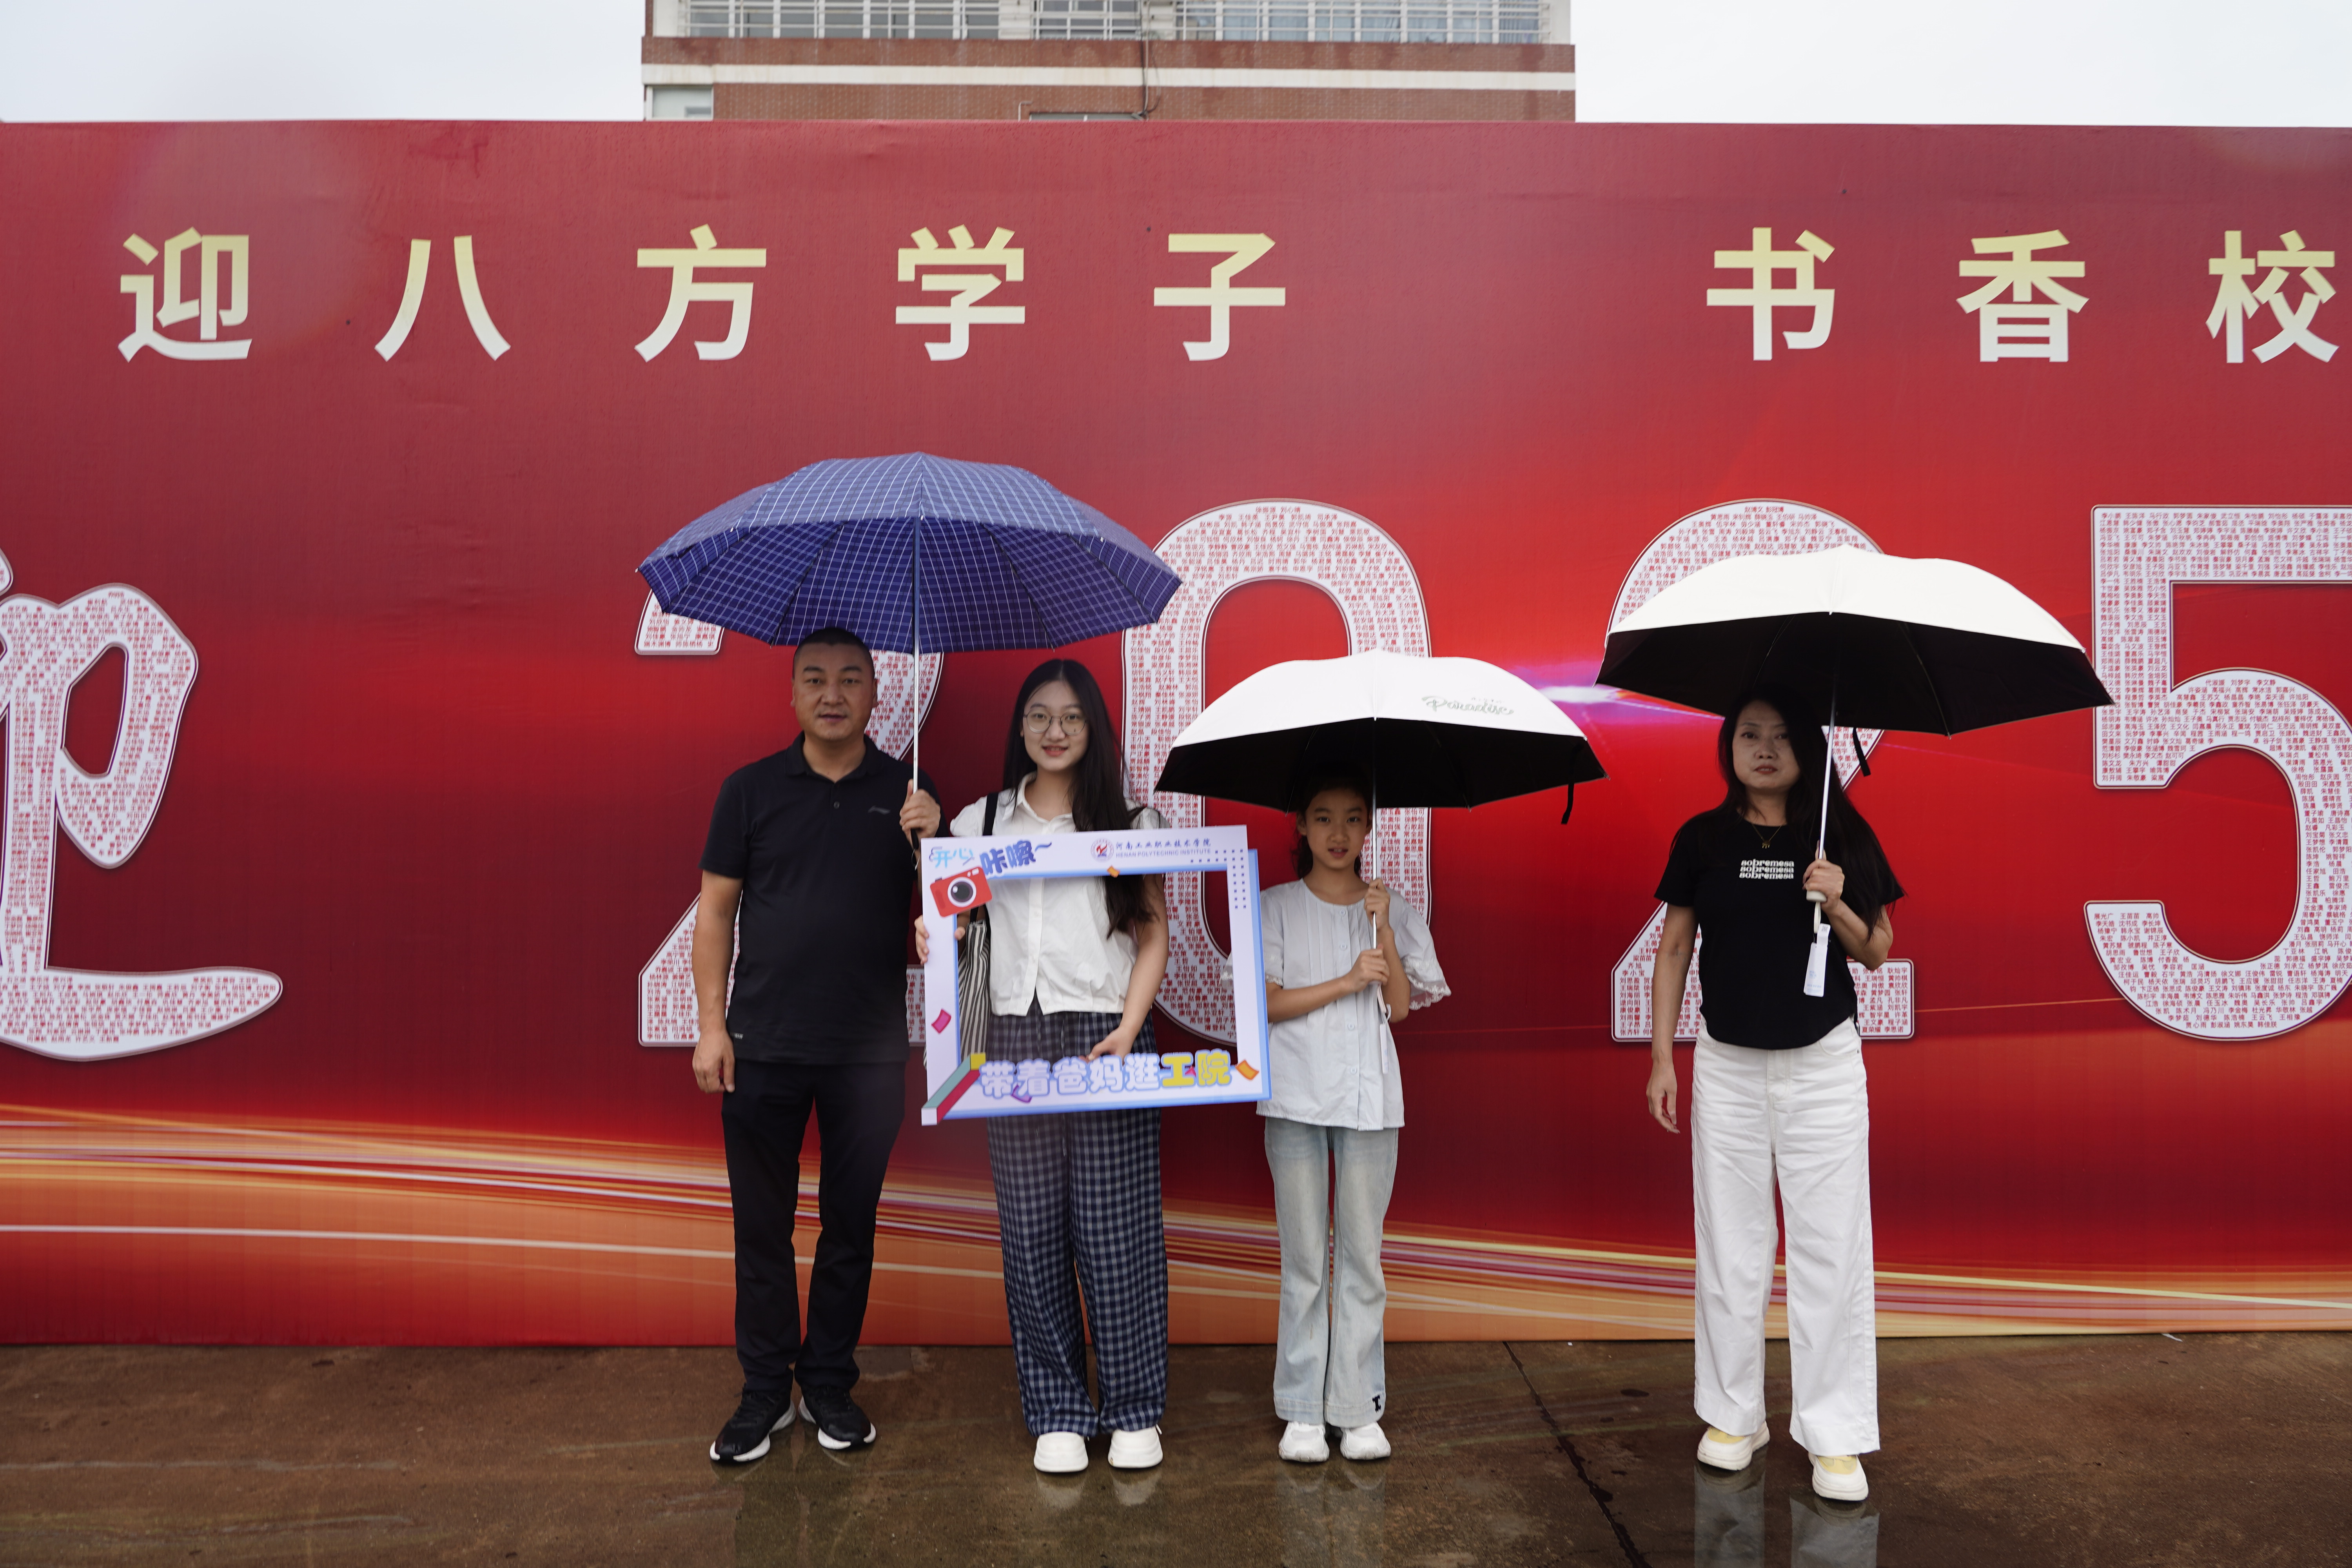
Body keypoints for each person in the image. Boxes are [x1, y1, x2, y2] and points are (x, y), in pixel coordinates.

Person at [1645, 687, 1901, 1503]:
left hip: (1823, 1068)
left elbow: (1879, 950)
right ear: (1729, 747)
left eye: (1782, 737)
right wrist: (1662, 1058)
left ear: (1807, 751)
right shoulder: (1703, 837)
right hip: (1727, 1066)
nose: (1764, 749)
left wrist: (1836, 898)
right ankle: (1734, 1417)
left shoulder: (1839, 833)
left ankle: (1835, 1435)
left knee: (1830, 1249)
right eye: (1749, 735)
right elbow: (1675, 948)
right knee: (1731, 1246)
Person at [693, 626, 941, 1464]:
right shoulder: (750, 790)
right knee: (761, 1230)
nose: (832, 694)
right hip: (762, 1045)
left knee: (850, 1227)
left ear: (876, 692)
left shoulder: (910, 792)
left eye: (850, 679)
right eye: (815, 679)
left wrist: (934, 843)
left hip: (869, 1053)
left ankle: (829, 1383)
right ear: (793, 693)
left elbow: (951, 924)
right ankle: (765, 1390)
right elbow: (715, 913)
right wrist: (711, 1026)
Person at [922, 658, 1172, 1476]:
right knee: (1031, 1230)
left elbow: (1152, 935)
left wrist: (1129, 1029)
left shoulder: (1132, 821)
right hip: (1011, 1035)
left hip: (1106, 1030)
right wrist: (935, 925)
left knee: (1116, 1227)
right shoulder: (980, 818)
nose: (1054, 730)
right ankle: (1058, 1410)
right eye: (1038, 715)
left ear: (1093, 727)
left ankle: (1133, 1409)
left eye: (1070, 716)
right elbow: (956, 925)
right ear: (1020, 726)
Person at [1259, 769, 1446, 1465]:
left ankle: (1357, 1407)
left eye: (1352, 818)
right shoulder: (1274, 906)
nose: (1338, 833)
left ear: (1369, 827)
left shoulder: (1387, 908)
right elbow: (1266, 1003)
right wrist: (1345, 979)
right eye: (1323, 817)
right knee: (1306, 1261)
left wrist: (1384, 932)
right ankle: (1303, 1410)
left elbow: (1398, 1006)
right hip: (1295, 1095)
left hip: (1371, 1099)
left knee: (1363, 1259)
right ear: (1301, 826)